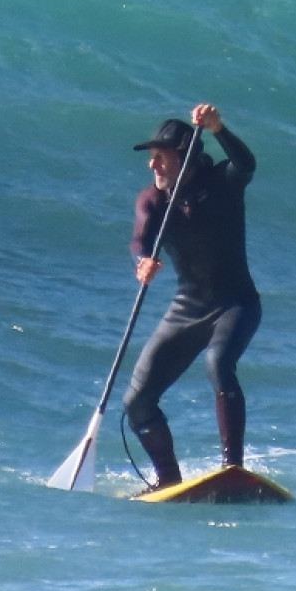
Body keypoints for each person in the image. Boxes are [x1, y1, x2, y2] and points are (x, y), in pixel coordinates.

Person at [121, 102, 261, 490]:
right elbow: (141, 242)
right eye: (151, 159)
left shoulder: (223, 183)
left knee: (219, 363)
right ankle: (168, 481)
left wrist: (219, 129)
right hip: (187, 308)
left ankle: (233, 468)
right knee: (137, 403)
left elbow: (246, 163)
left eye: (161, 157)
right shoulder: (154, 201)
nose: (154, 167)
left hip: (236, 303)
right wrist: (143, 261)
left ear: (185, 157)